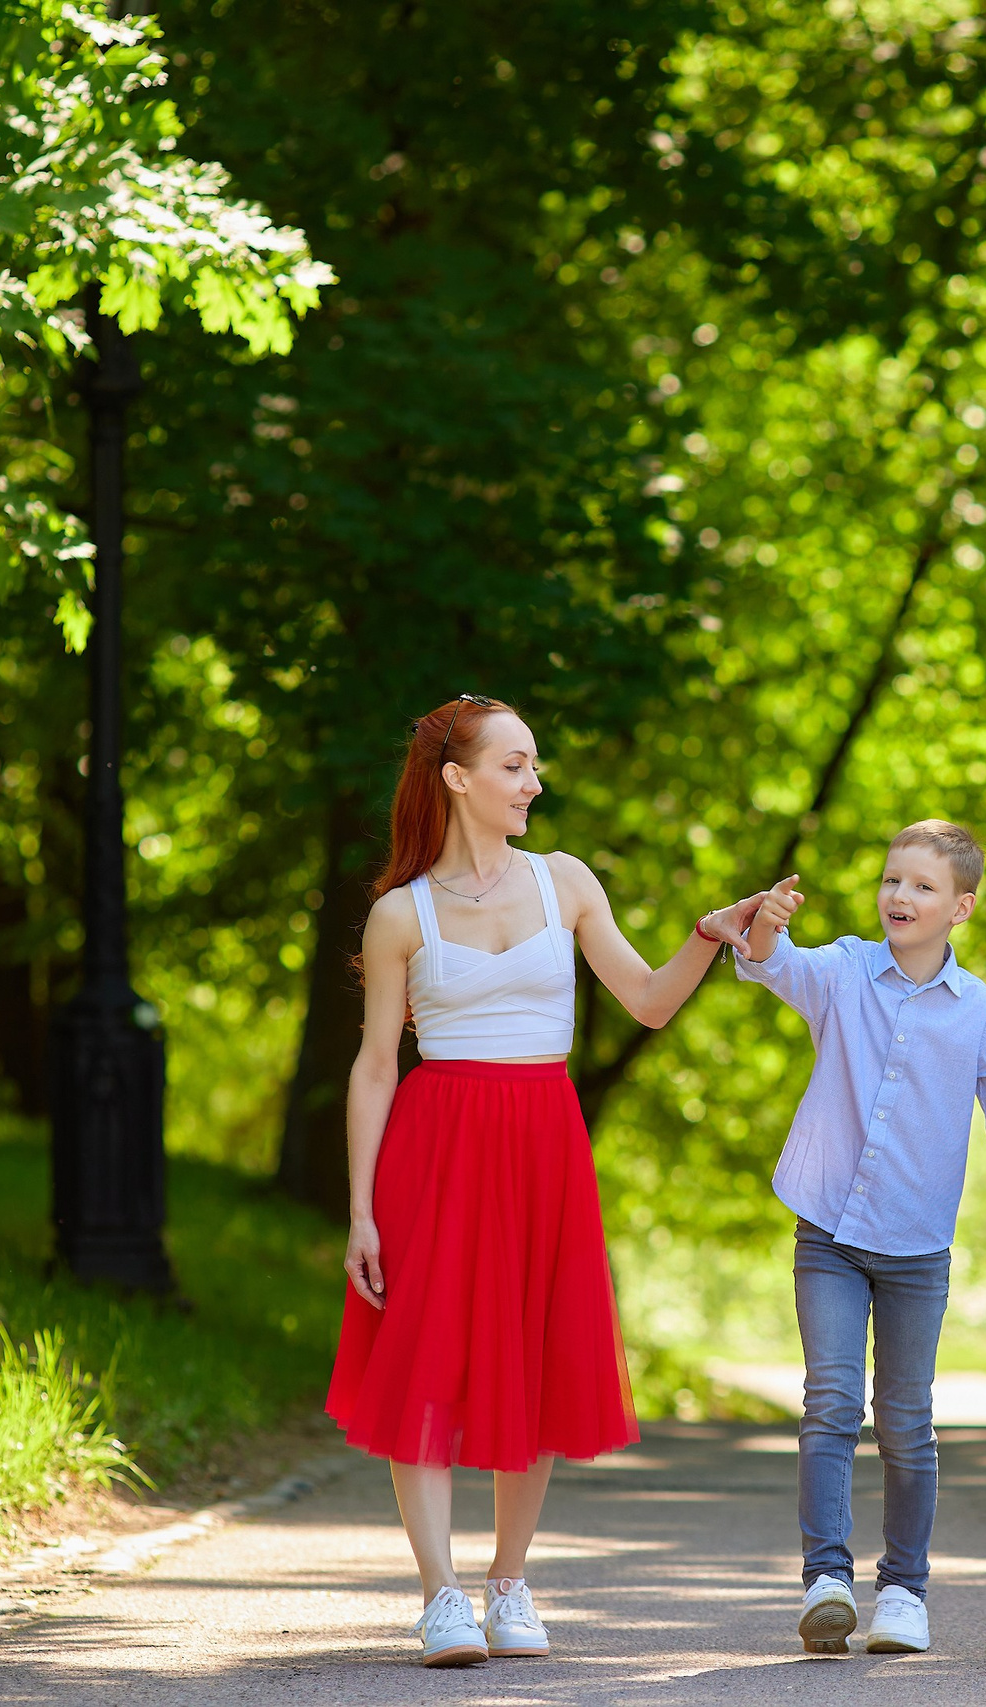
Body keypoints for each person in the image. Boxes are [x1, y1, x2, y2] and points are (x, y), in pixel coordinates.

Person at [325, 694, 763, 1669]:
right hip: (434, 1147)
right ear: (458, 778)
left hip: (540, 1142)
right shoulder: (402, 913)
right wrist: (360, 1209)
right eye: (516, 766)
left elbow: (647, 1002)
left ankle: (510, 1584)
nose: (534, 781)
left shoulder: (564, 882)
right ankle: (440, 1595)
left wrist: (708, 934)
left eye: (533, 766)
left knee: (529, 1349)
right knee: (426, 1357)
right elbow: (372, 1069)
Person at [730, 821, 986, 1658]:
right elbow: (770, 964)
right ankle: (826, 1577)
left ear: (961, 906)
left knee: (905, 1419)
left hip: (915, 1247)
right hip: (828, 1225)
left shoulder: (981, 1014)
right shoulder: (845, 970)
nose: (901, 896)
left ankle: (903, 1590)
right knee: (829, 1398)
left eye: (923, 886)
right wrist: (766, 922)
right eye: (893, 880)